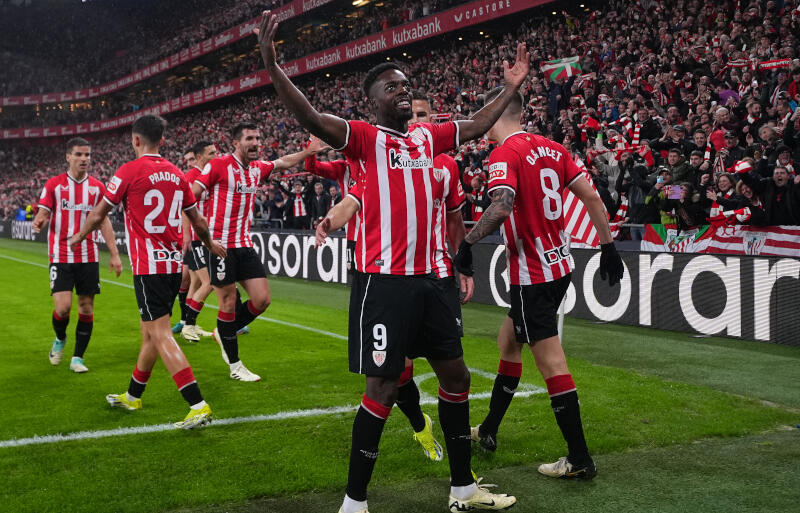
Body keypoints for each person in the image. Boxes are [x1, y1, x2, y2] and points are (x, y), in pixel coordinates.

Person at [257, 10, 523, 512]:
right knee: (381, 386)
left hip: (434, 282)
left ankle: (463, 489)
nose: (403, 91)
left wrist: (510, 87)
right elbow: (311, 118)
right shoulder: (363, 137)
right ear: (372, 101)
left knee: (457, 378)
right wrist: (273, 66)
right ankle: (354, 503)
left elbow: (477, 124)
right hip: (385, 284)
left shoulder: (428, 138)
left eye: (406, 85)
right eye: (391, 87)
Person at [452, 86, 624, 481]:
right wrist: (608, 245)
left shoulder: (504, 154)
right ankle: (489, 429)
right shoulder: (552, 148)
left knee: (550, 361)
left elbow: (501, 206)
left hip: (533, 274)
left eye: (485, 112)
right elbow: (592, 198)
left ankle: (579, 458)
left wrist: (467, 244)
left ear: (496, 113)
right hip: (559, 266)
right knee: (508, 340)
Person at [69, 115, 226, 429]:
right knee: (150, 334)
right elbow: (197, 220)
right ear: (162, 140)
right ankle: (133, 395)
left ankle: (197, 404)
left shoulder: (129, 171)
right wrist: (210, 244)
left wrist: (78, 237)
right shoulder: (177, 174)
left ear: (135, 140)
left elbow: (99, 213)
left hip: (149, 268)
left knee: (160, 334)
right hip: (172, 266)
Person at [192, 122, 310, 382]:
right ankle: (235, 367)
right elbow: (191, 197)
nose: (255, 142)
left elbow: (282, 162)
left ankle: (224, 332)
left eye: (257, 138)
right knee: (228, 302)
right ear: (236, 143)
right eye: (249, 138)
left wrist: (308, 152)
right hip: (220, 246)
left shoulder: (257, 168)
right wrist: (206, 239)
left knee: (262, 300)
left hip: (244, 244)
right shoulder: (219, 165)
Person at [32, 137, 123, 373]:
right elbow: (43, 211)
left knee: (86, 308)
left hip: (88, 256)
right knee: (63, 308)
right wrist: (39, 220)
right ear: (68, 157)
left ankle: (77, 358)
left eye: (87, 155)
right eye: (79, 154)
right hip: (61, 255)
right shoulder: (54, 184)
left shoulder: (98, 188)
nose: (84, 159)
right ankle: (60, 338)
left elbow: (104, 221)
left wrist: (114, 254)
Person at [179, 140, 218, 342]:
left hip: (206, 236)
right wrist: (186, 235)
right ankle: (189, 325)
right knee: (209, 282)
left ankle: (189, 325)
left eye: (216, 152)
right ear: (200, 157)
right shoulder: (192, 177)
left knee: (195, 283)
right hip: (196, 238)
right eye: (211, 153)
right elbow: (185, 208)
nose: (216, 156)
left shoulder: (211, 174)